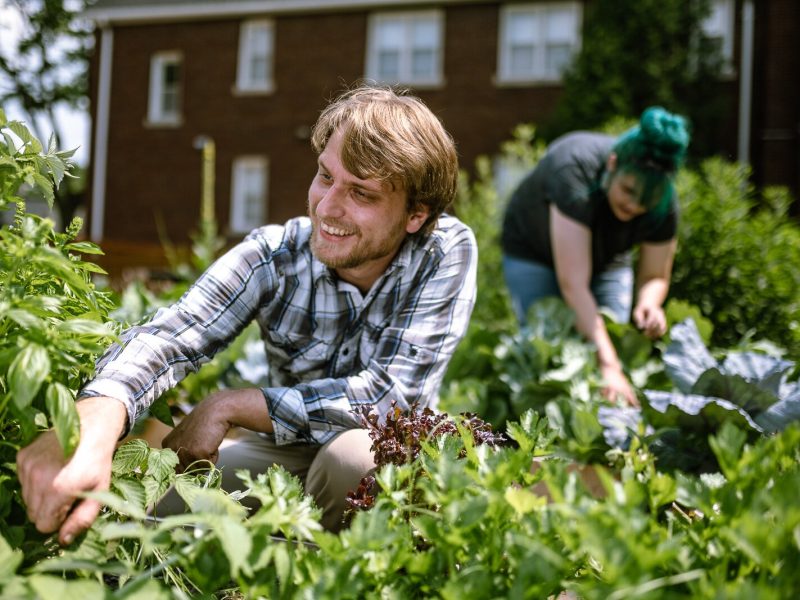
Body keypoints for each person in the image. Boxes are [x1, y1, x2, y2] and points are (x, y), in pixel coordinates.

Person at [16, 84, 477, 544]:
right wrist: (98, 413)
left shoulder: (444, 252)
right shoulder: (275, 255)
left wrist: (231, 404)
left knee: (356, 464)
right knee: (139, 507)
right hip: (288, 450)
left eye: (361, 193)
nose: (328, 207)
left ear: (415, 214)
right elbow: (175, 333)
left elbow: (387, 399)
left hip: (388, 452)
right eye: (325, 176)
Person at [501, 107, 690, 406]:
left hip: (609, 260)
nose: (636, 206)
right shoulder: (573, 168)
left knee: (610, 339)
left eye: (647, 200)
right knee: (546, 348)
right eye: (629, 190)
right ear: (613, 164)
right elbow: (573, 283)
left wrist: (649, 304)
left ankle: (603, 428)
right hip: (533, 252)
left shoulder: (663, 201)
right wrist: (609, 365)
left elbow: (655, 276)